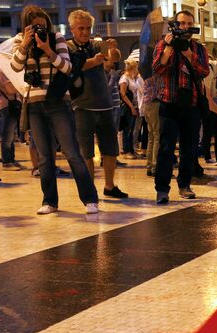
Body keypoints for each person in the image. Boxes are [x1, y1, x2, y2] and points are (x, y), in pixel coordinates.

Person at [11, 4, 99, 214]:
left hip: (58, 102)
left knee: (72, 152)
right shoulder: (20, 40)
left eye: (42, 25)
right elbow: (15, 67)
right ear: (26, 27)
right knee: (44, 156)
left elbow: (68, 67)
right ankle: (49, 201)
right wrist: (25, 44)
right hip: (34, 104)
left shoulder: (56, 38)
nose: (39, 30)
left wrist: (48, 50)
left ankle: (90, 199)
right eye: (34, 27)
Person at [67, 9, 128, 199]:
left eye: (88, 28)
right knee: (86, 153)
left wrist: (112, 48)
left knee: (110, 150)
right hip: (82, 106)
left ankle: (109, 186)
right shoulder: (68, 47)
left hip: (105, 105)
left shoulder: (95, 44)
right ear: (72, 29)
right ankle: (89, 190)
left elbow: (114, 58)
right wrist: (93, 62)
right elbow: (70, 67)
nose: (85, 32)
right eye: (81, 28)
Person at [152, 9, 209, 204]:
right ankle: (162, 189)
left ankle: (184, 185)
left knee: (189, 148)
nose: (185, 27)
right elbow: (158, 69)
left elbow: (204, 71)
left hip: (191, 104)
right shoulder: (163, 44)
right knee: (166, 148)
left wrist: (189, 55)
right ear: (174, 25)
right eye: (182, 23)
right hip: (169, 102)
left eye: (189, 23)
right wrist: (168, 48)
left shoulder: (199, 49)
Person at [119, 59, 142, 159]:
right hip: (128, 107)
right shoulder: (124, 78)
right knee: (127, 129)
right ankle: (126, 151)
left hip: (135, 105)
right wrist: (131, 107)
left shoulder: (132, 78)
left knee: (132, 129)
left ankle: (131, 150)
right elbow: (123, 94)